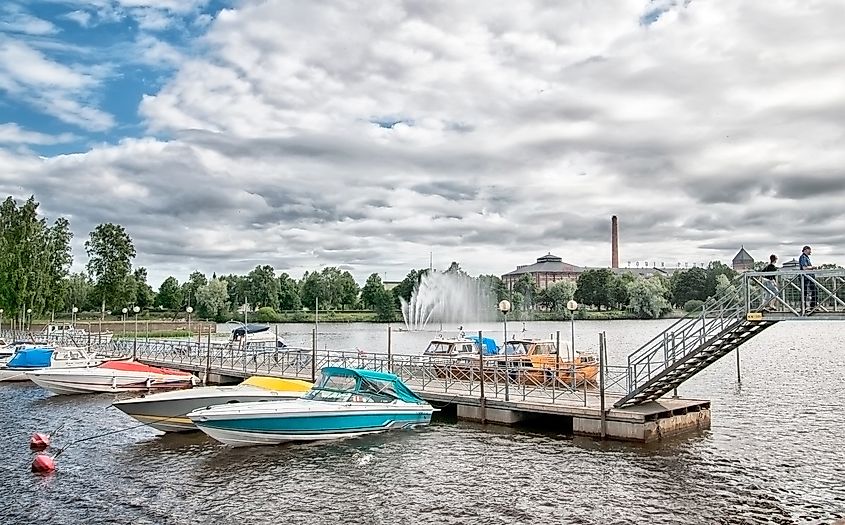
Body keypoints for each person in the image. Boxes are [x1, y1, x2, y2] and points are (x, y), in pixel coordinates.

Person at [799, 246, 817, 310]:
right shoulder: (803, 257)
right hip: (806, 278)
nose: (811, 252)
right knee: (807, 292)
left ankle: (811, 306)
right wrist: (813, 267)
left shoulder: (806, 257)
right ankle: (809, 306)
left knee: (811, 291)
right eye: (810, 250)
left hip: (808, 277)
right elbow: (804, 268)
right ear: (806, 250)